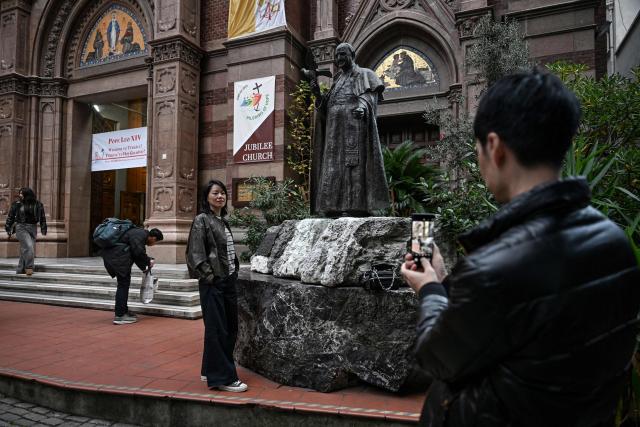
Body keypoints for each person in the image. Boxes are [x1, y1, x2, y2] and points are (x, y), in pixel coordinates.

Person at [401, 69, 640, 426]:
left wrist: (430, 288)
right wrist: (449, 279)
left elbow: (437, 357)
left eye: (478, 148)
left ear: (495, 147)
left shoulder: (495, 269)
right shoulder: (615, 243)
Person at [310, 42, 390, 217]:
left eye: (342, 55)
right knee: (332, 167)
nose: (339, 59)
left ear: (352, 55)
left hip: (352, 128)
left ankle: (355, 206)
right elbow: (325, 107)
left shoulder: (365, 74)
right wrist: (317, 93)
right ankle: (331, 206)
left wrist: (362, 107)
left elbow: (368, 96)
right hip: (334, 131)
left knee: (352, 167)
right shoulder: (337, 80)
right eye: (337, 55)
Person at [186, 180, 247, 393]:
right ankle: (223, 378)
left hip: (228, 280)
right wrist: (211, 278)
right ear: (207, 197)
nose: (220, 196)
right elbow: (196, 255)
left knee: (229, 328)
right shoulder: (202, 220)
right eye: (215, 193)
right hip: (214, 283)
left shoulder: (222, 221)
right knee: (218, 329)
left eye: (222, 193)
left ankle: (209, 369)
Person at [101, 226, 163, 325]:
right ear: (153, 238)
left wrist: (145, 267)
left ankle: (123, 311)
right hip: (118, 259)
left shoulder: (139, 234)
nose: (153, 244)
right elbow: (138, 252)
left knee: (124, 285)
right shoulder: (141, 235)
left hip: (118, 258)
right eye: (155, 242)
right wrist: (148, 261)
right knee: (123, 286)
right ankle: (120, 315)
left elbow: (136, 254)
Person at [5, 188, 47, 276]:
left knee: (25, 249)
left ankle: (20, 269)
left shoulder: (38, 204)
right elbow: (10, 217)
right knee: (29, 247)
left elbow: (42, 217)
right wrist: (8, 228)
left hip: (33, 227)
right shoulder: (17, 204)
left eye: (22, 193)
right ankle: (29, 268)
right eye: (20, 193)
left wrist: (43, 228)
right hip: (21, 227)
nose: (20, 195)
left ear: (28, 194)